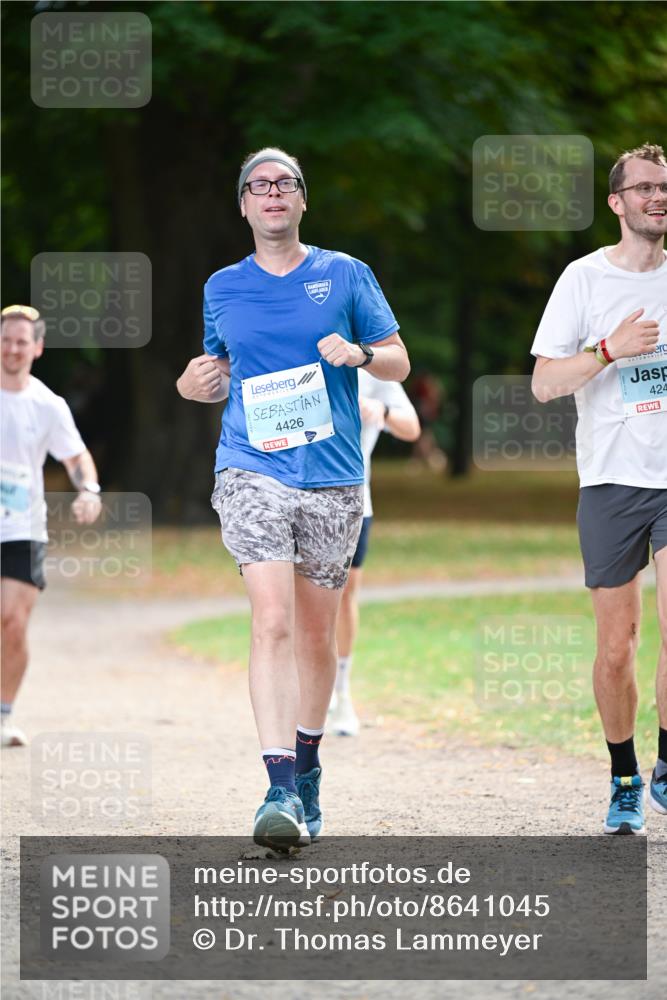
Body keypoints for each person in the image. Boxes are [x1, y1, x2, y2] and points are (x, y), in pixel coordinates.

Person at [177, 148, 410, 849]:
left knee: (314, 632)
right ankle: (276, 786)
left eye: (286, 184)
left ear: (303, 201)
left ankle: (307, 770)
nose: (272, 194)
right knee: (271, 618)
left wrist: (361, 355)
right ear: (243, 205)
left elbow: (398, 358)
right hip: (251, 467)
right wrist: (194, 386)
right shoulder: (222, 286)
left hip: (333, 476)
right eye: (259, 185)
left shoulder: (345, 273)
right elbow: (215, 371)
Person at [531, 142, 667, 834]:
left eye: (663, 188)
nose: (657, 197)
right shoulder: (582, 281)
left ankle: (666, 764)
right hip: (611, 479)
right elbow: (544, 383)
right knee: (617, 646)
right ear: (616, 203)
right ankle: (623, 776)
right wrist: (610, 349)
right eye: (642, 188)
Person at [1, 305, 102, 747]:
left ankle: (3, 713)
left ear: (37, 348)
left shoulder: (48, 404)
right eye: (6, 340)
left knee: (12, 622)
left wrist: (89, 490)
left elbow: (75, 457)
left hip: (23, 525)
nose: (12, 348)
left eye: (22, 341)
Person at [330, 368, 420, 736]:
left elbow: (412, 427)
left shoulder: (371, 368)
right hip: (300, 500)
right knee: (302, 598)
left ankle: (342, 692)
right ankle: (308, 695)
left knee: (346, 593)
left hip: (354, 501)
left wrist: (379, 413)